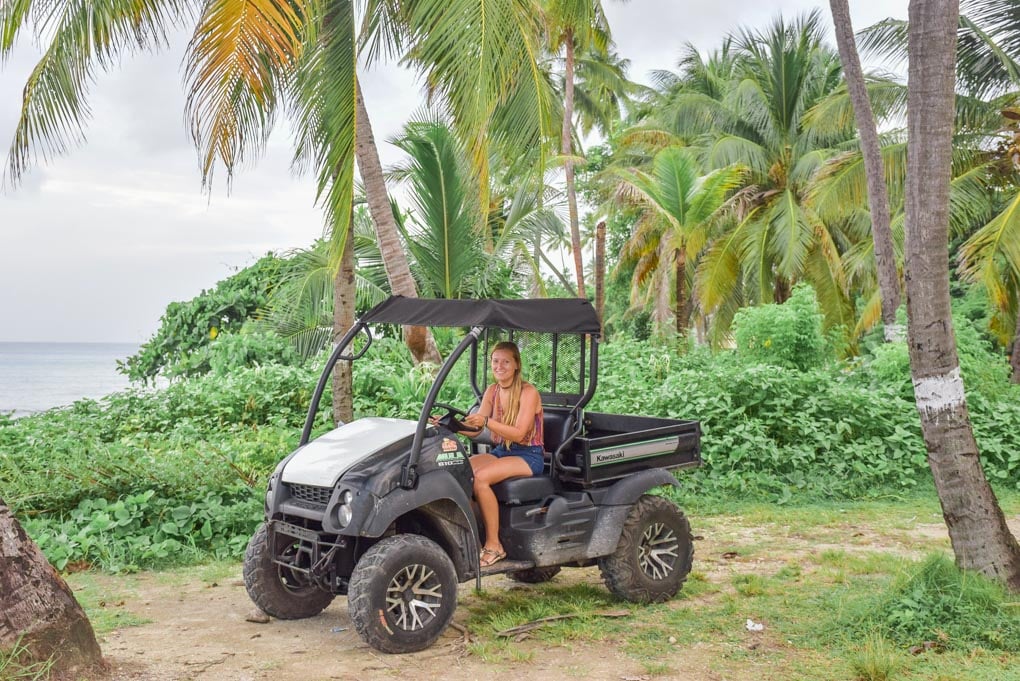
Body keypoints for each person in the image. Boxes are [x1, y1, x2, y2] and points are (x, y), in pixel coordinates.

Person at [459, 341, 544, 568]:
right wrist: (452, 425)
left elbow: (518, 434)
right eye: (495, 361)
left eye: (506, 361)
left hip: (528, 455)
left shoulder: (528, 393)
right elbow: (477, 428)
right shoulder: (492, 391)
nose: (499, 366)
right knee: (459, 470)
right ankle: (471, 539)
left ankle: (494, 544)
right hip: (502, 451)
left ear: (516, 364)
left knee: (481, 478)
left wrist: (486, 421)